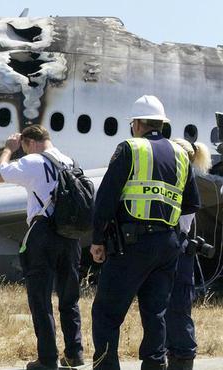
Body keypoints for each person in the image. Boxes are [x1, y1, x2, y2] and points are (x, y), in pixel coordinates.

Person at [90, 95, 200, 370]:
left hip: (132, 243)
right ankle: (154, 365)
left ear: (136, 123)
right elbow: (192, 203)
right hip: (168, 246)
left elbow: (105, 199)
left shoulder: (130, 148)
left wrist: (97, 241)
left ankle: (106, 366)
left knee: (106, 313)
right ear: (162, 124)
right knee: (155, 313)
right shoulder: (181, 155)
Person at [0, 125, 84, 370]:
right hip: (70, 234)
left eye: (23, 146)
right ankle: (75, 353)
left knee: (40, 298)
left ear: (30, 142)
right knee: (69, 297)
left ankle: (47, 359)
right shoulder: (70, 161)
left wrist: (8, 150)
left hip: (43, 232)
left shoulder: (33, 160)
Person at [165, 138, 211, 370]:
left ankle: (182, 357)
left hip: (179, 250)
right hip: (180, 251)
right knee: (176, 308)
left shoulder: (182, 179)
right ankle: (177, 355)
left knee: (178, 308)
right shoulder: (187, 177)